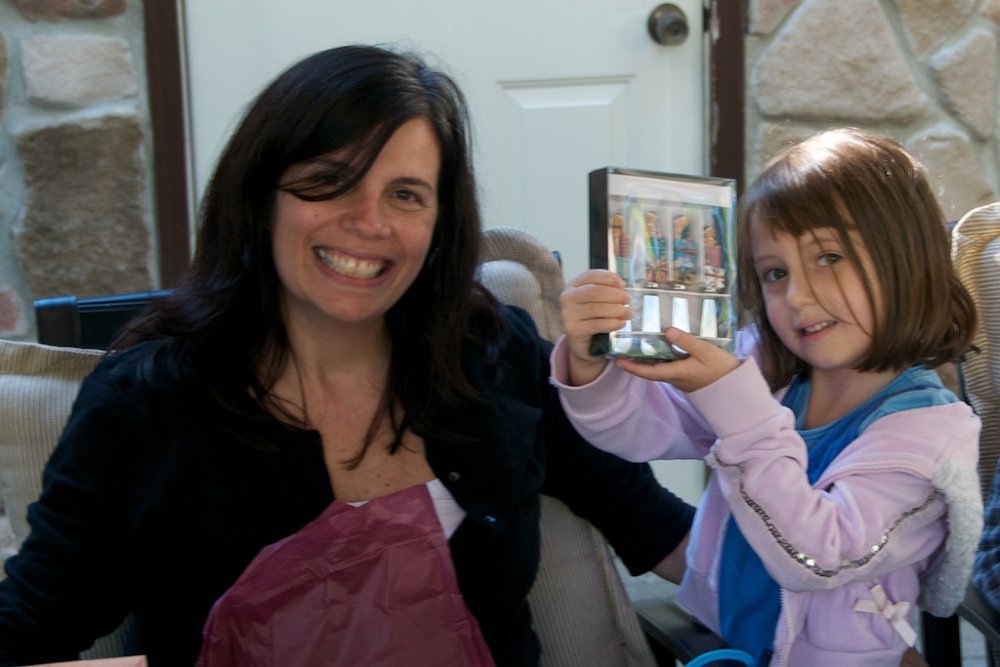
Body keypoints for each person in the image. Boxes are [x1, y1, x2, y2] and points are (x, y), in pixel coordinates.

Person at [0, 45, 694, 666]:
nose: (370, 223)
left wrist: (747, 429)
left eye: (406, 194)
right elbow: (30, 629)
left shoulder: (495, 356)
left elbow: (660, 531)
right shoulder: (147, 402)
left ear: (439, 224)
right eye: (331, 180)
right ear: (260, 196)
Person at [551, 128, 983, 666]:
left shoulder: (931, 434)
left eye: (829, 257)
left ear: (906, 259)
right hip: (722, 639)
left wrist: (737, 408)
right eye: (775, 273)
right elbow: (633, 431)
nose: (797, 296)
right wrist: (591, 362)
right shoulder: (766, 365)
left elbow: (819, 557)